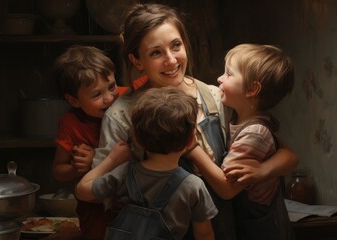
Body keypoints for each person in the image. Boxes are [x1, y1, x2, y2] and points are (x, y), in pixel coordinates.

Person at [93, 3, 298, 239]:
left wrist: (263, 171)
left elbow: (283, 152)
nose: (171, 60)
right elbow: (104, 194)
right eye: (156, 52)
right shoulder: (121, 115)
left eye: (176, 45)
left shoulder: (214, 97)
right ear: (137, 60)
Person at [76, 87, 217, 240]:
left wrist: (111, 159)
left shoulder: (124, 173)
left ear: (136, 138)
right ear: (191, 140)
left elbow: (82, 191)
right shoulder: (194, 186)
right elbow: (204, 234)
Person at [189, 43, 295, 239]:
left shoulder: (255, 132)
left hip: (262, 229)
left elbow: (227, 189)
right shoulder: (237, 118)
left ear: (252, 89)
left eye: (229, 74)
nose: (220, 78)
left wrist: (192, 148)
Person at [51, 44, 129, 240]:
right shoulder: (71, 124)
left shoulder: (127, 97)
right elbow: (58, 170)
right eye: (97, 94)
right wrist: (78, 167)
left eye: (111, 86)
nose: (109, 98)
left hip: (128, 199)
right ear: (74, 100)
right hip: (94, 205)